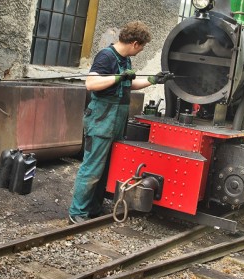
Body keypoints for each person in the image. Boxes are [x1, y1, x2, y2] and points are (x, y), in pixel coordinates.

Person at [68, 21, 174, 224]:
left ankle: (93, 208)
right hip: (101, 118)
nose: (142, 50)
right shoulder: (106, 56)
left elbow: (128, 83)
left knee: (106, 168)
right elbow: (91, 83)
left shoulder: (125, 60)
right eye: (142, 46)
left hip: (117, 120)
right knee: (92, 167)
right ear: (135, 43)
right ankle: (77, 212)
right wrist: (118, 77)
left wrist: (153, 80)